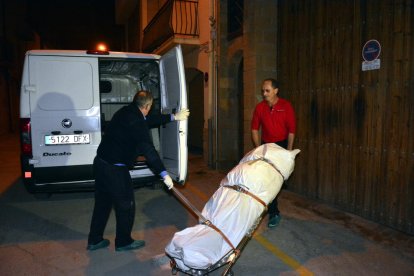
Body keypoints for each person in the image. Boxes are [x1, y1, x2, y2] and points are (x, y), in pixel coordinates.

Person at [87, 90, 189, 251]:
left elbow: (147, 120)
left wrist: (173, 117)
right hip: (115, 169)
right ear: (147, 106)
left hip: (100, 163)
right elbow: (148, 149)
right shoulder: (137, 122)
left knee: (103, 204)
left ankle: (94, 240)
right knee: (126, 205)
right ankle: (123, 242)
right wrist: (163, 173)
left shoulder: (126, 112)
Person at [251, 78, 296, 228]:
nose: (264, 93)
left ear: (276, 91)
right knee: (267, 180)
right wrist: (259, 149)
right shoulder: (260, 108)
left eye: (267, 90)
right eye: (263, 90)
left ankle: (271, 209)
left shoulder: (286, 106)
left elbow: (291, 130)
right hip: (266, 146)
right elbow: (254, 129)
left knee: (276, 181)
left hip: (282, 146)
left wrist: (288, 152)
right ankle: (273, 212)